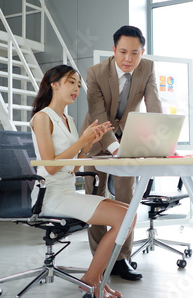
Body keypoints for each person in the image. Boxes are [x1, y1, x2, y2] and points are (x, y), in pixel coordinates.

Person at [30, 64, 135, 297]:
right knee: (124, 217)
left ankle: (96, 277)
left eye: (78, 84)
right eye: (71, 82)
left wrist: (88, 144)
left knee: (130, 213)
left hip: (67, 191)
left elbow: (74, 166)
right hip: (51, 195)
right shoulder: (42, 118)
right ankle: (92, 279)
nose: (77, 88)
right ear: (53, 84)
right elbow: (50, 166)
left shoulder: (67, 119)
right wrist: (81, 142)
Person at [80, 25, 162, 280]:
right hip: (95, 139)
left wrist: (158, 140)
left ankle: (122, 258)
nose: (129, 59)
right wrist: (113, 147)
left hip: (127, 139)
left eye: (135, 53)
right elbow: (97, 112)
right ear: (114, 50)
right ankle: (100, 260)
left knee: (127, 200)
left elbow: (154, 103)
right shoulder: (95, 73)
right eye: (123, 52)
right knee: (95, 198)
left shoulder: (147, 68)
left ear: (142, 52)